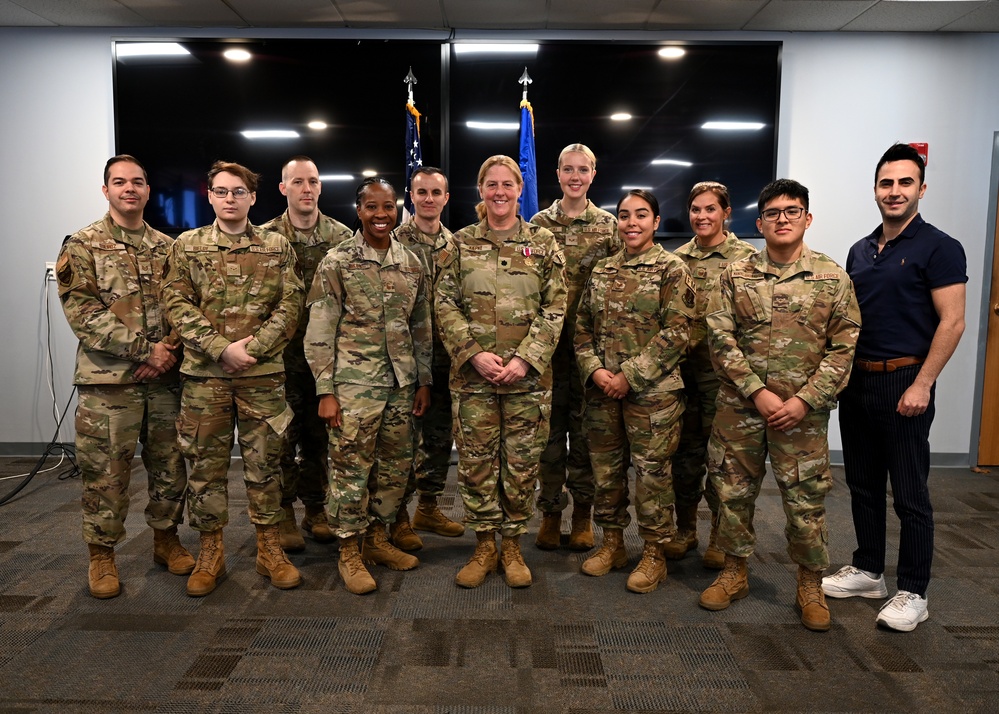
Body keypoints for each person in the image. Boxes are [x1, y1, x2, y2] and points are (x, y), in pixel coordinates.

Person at [698, 179, 860, 632]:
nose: (783, 219)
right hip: (741, 408)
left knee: (804, 501)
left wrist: (805, 400)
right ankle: (734, 573)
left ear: (807, 218)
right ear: (759, 222)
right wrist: (758, 391)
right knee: (732, 494)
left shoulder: (832, 277)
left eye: (792, 211)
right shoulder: (736, 275)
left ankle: (810, 583)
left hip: (802, 417)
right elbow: (720, 338)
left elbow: (844, 347)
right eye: (773, 212)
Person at [822, 144, 967, 632]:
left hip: (907, 381)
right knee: (862, 484)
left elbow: (953, 322)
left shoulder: (940, 247)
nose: (895, 191)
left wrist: (924, 383)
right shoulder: (860, 250)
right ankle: (868, 570)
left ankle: (913, 590)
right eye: (887, 183)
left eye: (905, 183)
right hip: (859, 382)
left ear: (921, 189)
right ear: (876, 190)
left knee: (909, 493)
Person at [163, 160, 305, 597]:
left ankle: (269, 549)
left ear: (253, 197)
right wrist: (220, 348)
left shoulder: (277, 246)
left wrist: (253, 348)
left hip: (262, 376)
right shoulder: (187, 247)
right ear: (210, 196)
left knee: (266, 466)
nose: (230, 199)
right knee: (206, 468)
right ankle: (211, 552)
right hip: (206, 377)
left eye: (238, 192)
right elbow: (176, 303)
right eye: (222, 192)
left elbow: (291, 306)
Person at [56, 155, 193, 599]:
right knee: (106, 472)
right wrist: (143, 350)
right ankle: (102, 556)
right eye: (119, 182)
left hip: (163, 381)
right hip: (108, 382)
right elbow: (83, 313)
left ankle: (165, 540)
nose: (129, 189)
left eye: (137, 182)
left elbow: (183, 306)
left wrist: (166, 350)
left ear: (148, 191)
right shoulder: (82, 244)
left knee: (170, 467)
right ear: (106, 191)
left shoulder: (168, 247)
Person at [436, 155, 567, 589]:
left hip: (526, 380)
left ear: (519, 188)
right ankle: (484, 543)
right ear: (480, 190)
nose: (499, 192)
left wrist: (526, 358)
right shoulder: (459, 243)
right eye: (491, 184)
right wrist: (472, 353)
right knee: (475, 464)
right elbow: (444, 304)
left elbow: (555, 306)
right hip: (474, 380)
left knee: (521, 465)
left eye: (507, 184)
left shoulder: (543, 242)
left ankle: (512, 545)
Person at [304, 178, 433, 595]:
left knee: (396, 468)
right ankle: (350, 550)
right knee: (350, 469)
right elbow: (320, 327)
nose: (382, 214)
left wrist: (422, 381)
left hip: (401, 384)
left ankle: (378, 538)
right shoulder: (337, 261)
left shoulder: (411, 262)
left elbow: (421, 328)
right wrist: (325, 389)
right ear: (358, 211)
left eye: (389, 207)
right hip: (353, 387)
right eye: (372, 207)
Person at [574, 189, 695, 593]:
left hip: (653, 396)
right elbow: (582, 328)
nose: (631, 223)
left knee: (652, 476)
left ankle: (654, 554)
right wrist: (595, 371)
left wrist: (629, 375)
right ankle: (612, 544)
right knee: (606, 472)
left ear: (656, 222)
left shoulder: (672, 269)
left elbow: (678, 331)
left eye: (641, 215)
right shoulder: (603, 269)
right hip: (602, 392)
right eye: (624, 215)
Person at [530, 143, 620, 552]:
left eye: (583, 170)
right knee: (547, 435)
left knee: (585, 435)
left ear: (593, 175)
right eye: (568, 169)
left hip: (590, 351)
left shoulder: (609, 226)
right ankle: (550, 513)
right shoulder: (537, 224)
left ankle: (583, 514)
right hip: (546, 350)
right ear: (558, 173)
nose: (575, 177)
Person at [261, 156, 352, 552]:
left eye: (313, 181)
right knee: (281, 438)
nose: (306, 189)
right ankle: (283, 512)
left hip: (325, 361)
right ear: (283, 189)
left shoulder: (342, 236)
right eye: (297, 182)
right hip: (278, 359)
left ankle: (316, 508)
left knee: (319, 439)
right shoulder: (263, 237)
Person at [668, 182, 756, 568]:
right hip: (682, 374)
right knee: (684, 456)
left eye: (710, 209)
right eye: (695, 210)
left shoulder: (746, 259)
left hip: (725, 379)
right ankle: (685, 530)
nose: (702, 216)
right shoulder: (676, 259)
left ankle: (721, 537)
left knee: (724, 461)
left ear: (726, 213)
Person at [388, 166, 466, 552]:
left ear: (446, 198)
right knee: (403, 441)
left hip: (448, 358)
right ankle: (399, 517)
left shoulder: (459, 246)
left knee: (439, 437)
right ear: (411, 196)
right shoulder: (392, 241)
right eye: (422, 192)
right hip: (405, 360)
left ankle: (429, 507)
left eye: (437, 192)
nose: (429, 199)